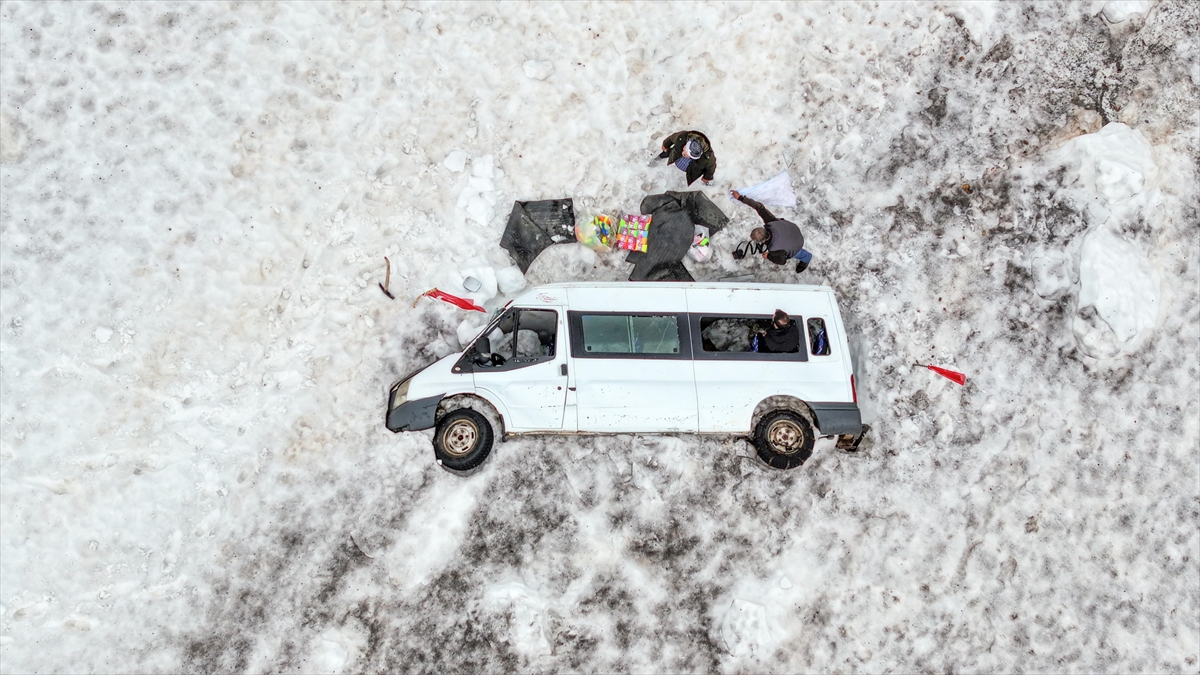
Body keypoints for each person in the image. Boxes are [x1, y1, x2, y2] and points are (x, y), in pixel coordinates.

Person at [731, 190, 813, 272]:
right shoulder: (771, 222)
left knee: (794, 251)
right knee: (787, 244)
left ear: (762, 241)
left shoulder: (774, 249)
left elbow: (782, 261)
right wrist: (740, 197)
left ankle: (807, 258)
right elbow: (759, 207)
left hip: (797, 243)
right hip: (792, 229)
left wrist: (769, 256)